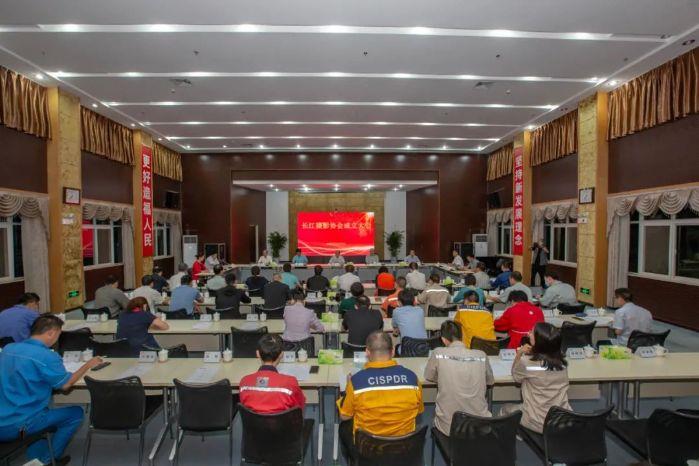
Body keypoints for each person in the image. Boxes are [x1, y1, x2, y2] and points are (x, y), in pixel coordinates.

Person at [0, 315, 103, 465]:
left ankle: (35, 452)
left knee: (44, 409)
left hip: (3, 420)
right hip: (20, 426)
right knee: (76, 413)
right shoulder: (46, 356)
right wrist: (87, 365)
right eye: (58, 335)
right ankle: (48, 460)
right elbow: (65, 385)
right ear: (51, 333)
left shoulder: (8, 349)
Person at [337, 331, 423, 460]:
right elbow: (419, 411)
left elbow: (344, 416)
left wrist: (346, 390)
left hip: (368, 450)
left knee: (344, 427)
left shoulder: (356, 381)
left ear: (367, 352)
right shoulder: (412, 378)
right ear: (392, 351)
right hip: (404, 448)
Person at [424, 320, 493, 440]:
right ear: (462, 337)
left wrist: (443, 377)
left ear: (443, 339)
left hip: (450, 427)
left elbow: (429, 376)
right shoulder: (481, 355)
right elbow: (490, 381)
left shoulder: (438, 353)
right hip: (479, 425)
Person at [500, 322, 571, 433]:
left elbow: (516, 377)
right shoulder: (562, 363)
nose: (528, 333)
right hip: (559, 420)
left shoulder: (527, 362)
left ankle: (518, 434)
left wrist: (519, 353)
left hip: (536, 421)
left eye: (532, 332)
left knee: (505, 409)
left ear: (539, 341)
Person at [239, 334, 305, 413]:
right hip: (283, 421)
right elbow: (299, 408)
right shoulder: (290, 382)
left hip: (252, 421)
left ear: (257, 354)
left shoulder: (244, 382)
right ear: (281, 354)